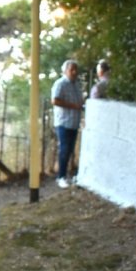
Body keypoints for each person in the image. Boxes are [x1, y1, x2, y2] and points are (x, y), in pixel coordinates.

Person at [51, 58, 84, 188]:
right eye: (72, 69)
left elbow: (79, 102)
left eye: (76, 69)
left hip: (74, 122)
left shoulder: (77, 85)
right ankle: (61, 176)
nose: (74, 72)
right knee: (64, 149)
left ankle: (69, 174)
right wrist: (73, 106)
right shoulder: (60, 84)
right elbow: (55, 100)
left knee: (70, 150)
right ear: (65, 71)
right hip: (63, 122)